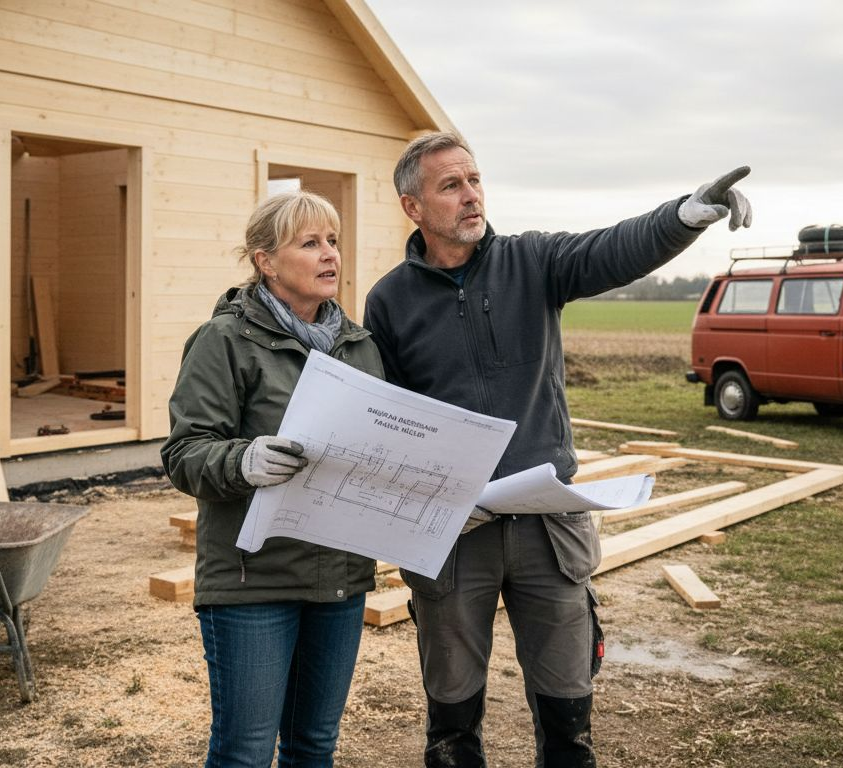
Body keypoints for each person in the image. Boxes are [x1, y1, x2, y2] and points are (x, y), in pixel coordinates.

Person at [362, 131, 751, 767]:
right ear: (413, 207)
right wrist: (432, 497)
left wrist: (685, 215)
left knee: (568, 714)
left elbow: (613, 249)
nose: (471, 195)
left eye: (474, 179)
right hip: (455, 531)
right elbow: (391, 418)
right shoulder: (389, 301)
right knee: (451, 722)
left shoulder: (532, 261)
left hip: (548, 523)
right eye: (451, 185)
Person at [161, 190, 383, 768]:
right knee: (245, 752)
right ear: (266, 261)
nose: (330, 254)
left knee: (314, 747)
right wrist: (243, 461)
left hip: (339, 579)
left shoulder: (359, 347)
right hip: (252, 581)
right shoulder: (224, 341)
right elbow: (184, 453)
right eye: (310, 243)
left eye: (332, 240)